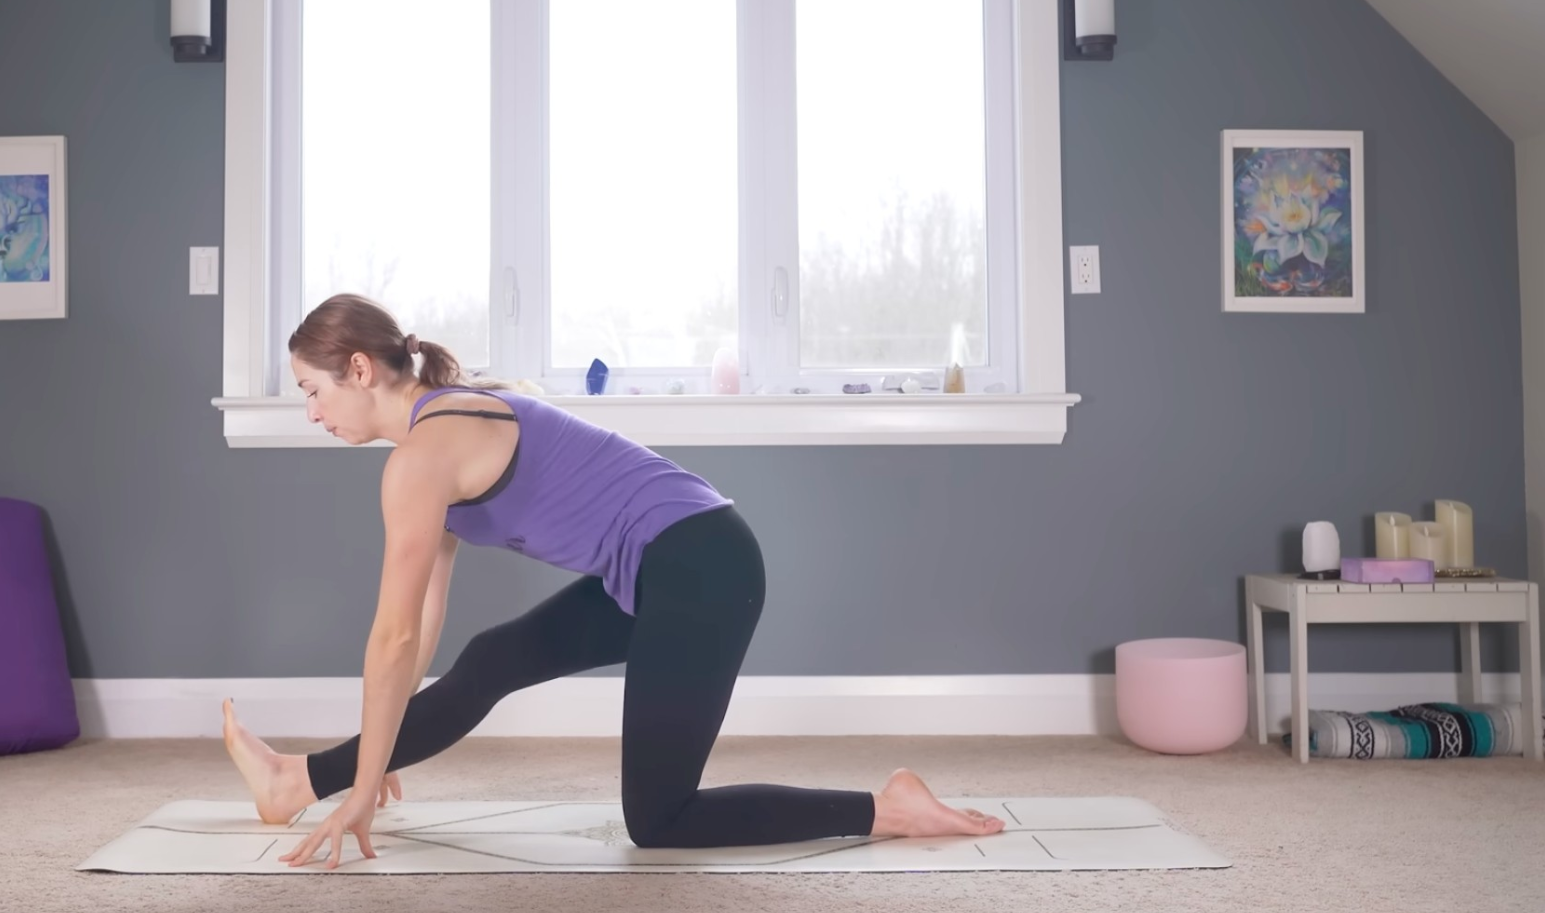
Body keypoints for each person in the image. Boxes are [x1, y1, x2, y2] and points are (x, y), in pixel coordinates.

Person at [223, 293, 1004, 869]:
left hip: (700, 566)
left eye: (311, 390)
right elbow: (419, 627)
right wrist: (375, 758)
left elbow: (391, 639)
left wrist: (366, 786)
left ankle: (887, 809)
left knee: (660, 817)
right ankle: (298, 781)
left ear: (358, 369)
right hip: (664, 563)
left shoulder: (420, 459)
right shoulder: (453, 419)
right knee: (492, 659)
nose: (311, 411)